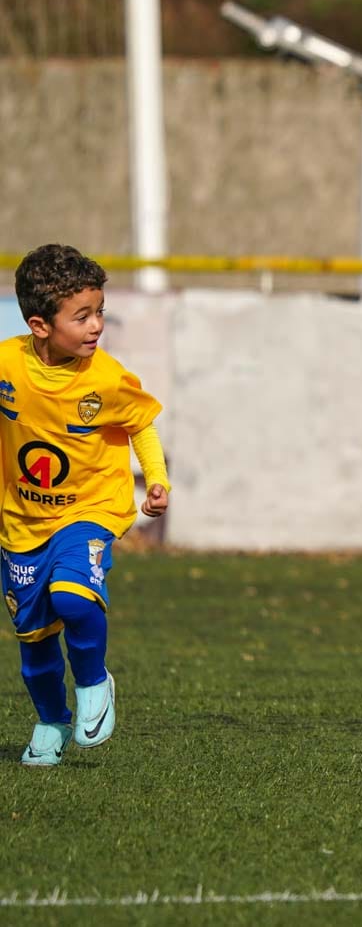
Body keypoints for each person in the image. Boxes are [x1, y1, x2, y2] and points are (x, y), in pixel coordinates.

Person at [2, 244, 170, 766]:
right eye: (82, 316)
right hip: (22, 522)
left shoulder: (104, 378)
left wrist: (157, 480)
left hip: (90, 509)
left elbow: (139, 422)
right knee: (34, 641)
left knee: (73, 598)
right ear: (40, 325)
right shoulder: (7, 364)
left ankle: (95, 682)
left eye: (99, 310)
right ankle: (51, 721)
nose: (97, 324)